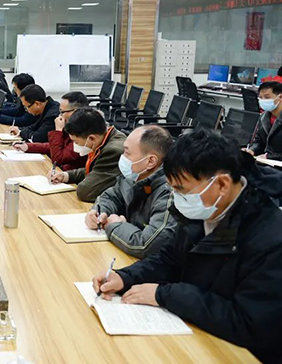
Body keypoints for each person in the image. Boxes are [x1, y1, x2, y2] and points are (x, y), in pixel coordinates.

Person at [92, 129, 282, 362]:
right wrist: (125, 277)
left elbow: (249, 323)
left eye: (180, 190)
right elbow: (169, 259)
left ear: (222, 184)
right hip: (195, 334)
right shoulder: (207, 207)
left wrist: (166, 295)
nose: (175, 197)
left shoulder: (271, 240)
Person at [85, 125, 176, 258]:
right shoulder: (135, 176)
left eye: (127, 153)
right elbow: (111, 197)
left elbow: (148, 245)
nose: (123, 157)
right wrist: (98, 212)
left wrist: (115, 226)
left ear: (150, 161)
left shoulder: (170, 192)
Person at [49, 107, 125, 202]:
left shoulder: (112, 151)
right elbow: (94, 169)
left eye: (76, 142)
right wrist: (65, 176)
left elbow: (86, 191)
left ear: (91, 138)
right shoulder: (105, 136)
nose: (74, 145)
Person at [13, 91, 88, 171]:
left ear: (75, 112)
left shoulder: (84, 132)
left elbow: (58, 159)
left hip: (69, 174)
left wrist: (58, 131)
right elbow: (54, 146)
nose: (59, 116)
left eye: (62, 112)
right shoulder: (71, 125)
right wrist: (28, 147)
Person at [248, 81, 282, 160]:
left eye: (267, 97)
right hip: (265, 161)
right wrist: (252, 150)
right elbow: (259, 142)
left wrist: (269, 157)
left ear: (280, 97)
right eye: (260, 97)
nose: (263, 100)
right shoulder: (263, 117)